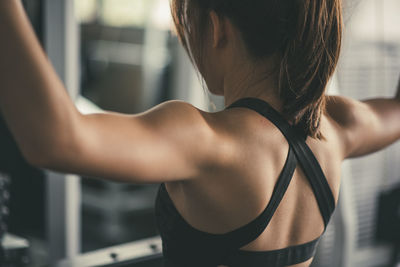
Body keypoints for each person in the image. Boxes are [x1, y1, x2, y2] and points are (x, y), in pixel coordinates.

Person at [0, 0, 399, 266]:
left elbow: (56, 139)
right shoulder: (339, 126)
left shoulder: (210, 142)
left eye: (186, 23)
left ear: (216, 27)